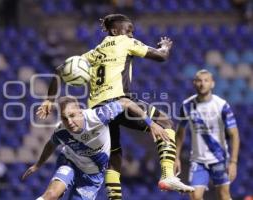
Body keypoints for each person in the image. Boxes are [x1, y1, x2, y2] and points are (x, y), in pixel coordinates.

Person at [37, 14, 194, 199]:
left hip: (97, 110)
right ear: (115, 31)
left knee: (114, 152)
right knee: (165, 122)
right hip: (119, 102)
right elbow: (161, 56)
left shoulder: (93, 53)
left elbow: (58, 71)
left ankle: (114, 198)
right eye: (129, 31)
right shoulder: (124, 42)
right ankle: (168, 176)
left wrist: (48, 100)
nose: (131, 34)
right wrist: (165, 46)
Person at [22, 96, 169, 200]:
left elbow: (125, 102)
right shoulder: (61, 130)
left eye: (72, 115)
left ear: (80, 110)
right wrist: (38, 165)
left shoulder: (98, 116)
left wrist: (151, 123)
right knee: (52, 195)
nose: (70, 122)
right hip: (70, 163)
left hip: (92, 177)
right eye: (65, 118)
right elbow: (51, 143)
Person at [175, 70, 240, 200]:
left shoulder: (222, 105)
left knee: (224, 195)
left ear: (212, 84)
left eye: (206, 80)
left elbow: (234, 135)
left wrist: (233, 162)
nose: (202, 84)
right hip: (198, 160)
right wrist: (176, 157)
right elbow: (180, 134)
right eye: (199, 80)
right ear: (194, 83)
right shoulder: (187, 105)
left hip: (219, 159)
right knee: (194, 196)